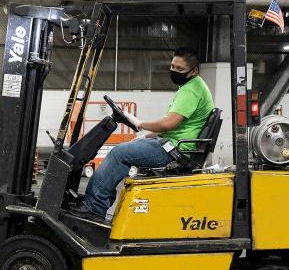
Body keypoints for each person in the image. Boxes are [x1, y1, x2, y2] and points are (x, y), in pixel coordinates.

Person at [73, 46, 214, 221]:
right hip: (172, 143)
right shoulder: (193, 85)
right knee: (125, 148)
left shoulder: (190, 90)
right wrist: (145, 136)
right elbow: (179, 126)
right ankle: (99, 202)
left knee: (118, 154)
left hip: (174, 150)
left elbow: (168, 124)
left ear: (194, 71)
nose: (174, 71)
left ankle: (94, 206)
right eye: (172, 66)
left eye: (179, 69)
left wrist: (140, 124)